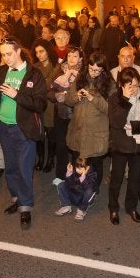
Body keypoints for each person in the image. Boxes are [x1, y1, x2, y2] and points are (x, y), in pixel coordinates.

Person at [0, 37, 47, 229]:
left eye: (9, 54)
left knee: (24, 168)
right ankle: (16, 197)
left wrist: (17, 95)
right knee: (11, 166)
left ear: (18, 52)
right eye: (2, 54)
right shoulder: (0, 72)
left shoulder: (34, 74)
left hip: (24, 128)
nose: (6, 58)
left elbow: (41, 104)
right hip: (3, 126)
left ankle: (25, 206)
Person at [107, 67, 140, 225]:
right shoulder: (115, 98)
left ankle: (131, 207)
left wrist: (136, 126)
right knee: (116, 179)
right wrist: (126, 100)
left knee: (134, 180)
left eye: (135, 85)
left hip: (138, 145)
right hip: (120, 146)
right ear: (121, 85)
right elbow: (116, 122)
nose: (133, 89)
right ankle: (113, 208)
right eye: (129, 86)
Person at [65, 51, 115, 193]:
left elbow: (111, 109)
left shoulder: (110, 84)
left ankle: (93, 190)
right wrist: (76, 96)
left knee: (95, 163)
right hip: (78, 129)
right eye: (91, 69)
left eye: (97, 70)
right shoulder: (80, 79)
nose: (93, 73)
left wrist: (95, 99)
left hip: (96, 133)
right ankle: (78, 187)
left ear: (103, 69)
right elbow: (68, 100)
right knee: (78, 161)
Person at [48, 46, 83, 180]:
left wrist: (72, 95)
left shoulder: (83, 74)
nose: (71, 59)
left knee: (76, 147)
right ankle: (61, 175)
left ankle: (76, 174)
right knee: (61, 145)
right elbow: (49, 92)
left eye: (75, 56)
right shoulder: (59, 70)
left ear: (80, 58)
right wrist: (57, 95)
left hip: (77, 115)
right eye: (69, 56)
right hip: (61, 114)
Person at [32, 38, 61, 173]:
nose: (39, 55)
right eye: (37, 52)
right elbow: (32, 86)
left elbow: (57, 86)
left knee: (51, 133)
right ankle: (41, 158)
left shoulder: (57, 66)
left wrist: (47, 85)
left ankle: (50, 159)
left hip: (51, 104)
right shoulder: (34, 67)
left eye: (42, 51)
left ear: (48, 51)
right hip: (38, 103)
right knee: (39, 133)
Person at [54, 157, 97, 222]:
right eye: (77, 168)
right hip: (75, 196)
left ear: (87, 167)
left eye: (80, 168)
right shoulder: (75, 171)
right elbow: (70, 184)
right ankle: (66, 206)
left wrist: (83, 176)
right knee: (61, 184)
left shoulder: (92, 174)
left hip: (84, 199)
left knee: (90, 191)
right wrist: (69, 173)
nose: (78, 170)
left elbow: (88, 187)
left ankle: (81, 210)